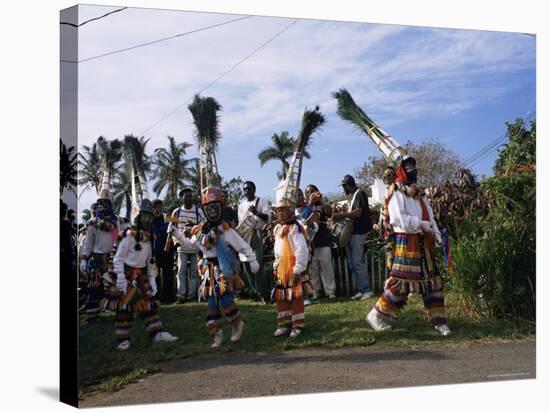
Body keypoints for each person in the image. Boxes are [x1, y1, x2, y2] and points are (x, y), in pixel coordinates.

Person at [365, 157, 451, 336]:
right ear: (402, 170)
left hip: (424, 242)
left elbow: (431, 217)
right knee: (402, 283)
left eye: (414, 166)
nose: (413, 169)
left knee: (433, 282)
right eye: (409, 166)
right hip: (407, 240)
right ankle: (376, 315)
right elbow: (398, 219)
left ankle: (439, 321)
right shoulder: (396, 191)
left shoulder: (420, 193)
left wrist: (435, 234)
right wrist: (420, 224)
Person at [171, 187, 260, 348]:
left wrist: (252, 259)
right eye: (209, 208)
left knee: (226, 299)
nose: (212, 211)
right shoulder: (200, 230)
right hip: (208, 270)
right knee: (212, 304)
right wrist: (176, 234)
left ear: (220, 207)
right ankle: (217, 334)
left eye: (215, 207)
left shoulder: (225, 230)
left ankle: (236, 325)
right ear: (204, 210)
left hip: (223, 269)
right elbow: (190, 245)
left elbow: (242, 245)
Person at [110, 199, 178, 351]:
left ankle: (157, 334)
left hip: (141, 277)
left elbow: (150, 261)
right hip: (127, 276)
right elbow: (118, 258)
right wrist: (120, 277)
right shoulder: (128, 236)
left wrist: (153, 280)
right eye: (144, 216)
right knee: (124, 309)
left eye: (150, 216)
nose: (148, 219)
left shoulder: (150, 237)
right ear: (138, 216)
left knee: (148, 306)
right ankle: (122, 340)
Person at [271, 182, 310, 337]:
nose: (279, 214)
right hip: (281, 268)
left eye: (282, 211)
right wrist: (276, 264)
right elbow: (276, 250)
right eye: (277, 211)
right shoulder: (278, 229)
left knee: (295, 297)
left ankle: (297, 324)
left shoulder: (296, 228)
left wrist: (298, 269)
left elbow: (302, 249)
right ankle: (284, 324)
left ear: (288, 211)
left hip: (293, 267)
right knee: (282, 297)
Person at [79, 190, 119, 324]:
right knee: (94, 287)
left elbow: (121, 239)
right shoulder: (92, 223)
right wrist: (84, 259)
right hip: (96, 259)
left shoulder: (117, 221)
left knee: (113, 287)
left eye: (106, 203)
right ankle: (93, 315)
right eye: (101, 203)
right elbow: (88, 242)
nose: (103, 206)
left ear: (110, 205)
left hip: (112, 259)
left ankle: (119, 313)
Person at [332, 175, 374, 300]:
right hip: (352, 233)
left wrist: (341, 215)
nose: (343, 189)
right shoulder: (353, 196)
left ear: (348, 184)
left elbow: (359, 212)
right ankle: (360, 289)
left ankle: (367, 289)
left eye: (344, 186)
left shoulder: (360, 194)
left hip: (359, 232)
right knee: (352, 263)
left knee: (357, 262)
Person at [237, 181, 270, 302]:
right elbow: (241, 223)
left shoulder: (261, 201)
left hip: (256, 234)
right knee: (246, 264)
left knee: (257, 263)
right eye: (245, 189)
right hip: (245, 236)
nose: (247, 191)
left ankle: (261, 292)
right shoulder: (241, 206)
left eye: (249, 189)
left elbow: (267, 218)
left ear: (254, 189)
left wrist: (257, 213)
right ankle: (255, 291)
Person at [171, 187, 205, 303]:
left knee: (194, 271)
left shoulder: (198, 211)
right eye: (187, 196)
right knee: (181, 271)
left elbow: (204, 226)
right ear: (182, 198)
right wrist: (175, 242)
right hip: (181, 246)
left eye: (191, 196)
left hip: (195, 246)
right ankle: (181, 296)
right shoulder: (176, 212)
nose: (189, 198)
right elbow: (171, 228)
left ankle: (192, 295)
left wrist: (194, 227)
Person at [305, 184, 336, 299]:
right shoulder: (306, 206)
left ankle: (330, 291)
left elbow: (330, 213)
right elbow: (303, 218)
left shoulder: (322, 205)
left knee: (327, 267)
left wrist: (321, 200)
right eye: (308, 192)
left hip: (323, 240)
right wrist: (310, 203)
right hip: (310, 243)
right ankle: (315, 292)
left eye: (313, 191)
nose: (311, 194)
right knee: (313, 270)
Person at [294, 188, 317, 306]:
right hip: (293, 248)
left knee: (305, 271)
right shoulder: (290, 212)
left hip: (306, 245)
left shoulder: (308, 210)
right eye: (296, 195)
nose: (299, 197)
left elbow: (315, 226)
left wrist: (310, 224)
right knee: (297, 271)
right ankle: (300, 295)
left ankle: (307, 296)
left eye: (300, 195)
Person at [151, 199, 175, 304]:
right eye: (155, 207)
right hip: (154, 253)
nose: (157, 209)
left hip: (168, 251)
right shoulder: (149, 220)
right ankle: (156, 296)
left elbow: (178, 223)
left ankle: (168, 297)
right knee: (155, 276)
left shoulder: (168, 217)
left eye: (159, 207)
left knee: (168, 275)